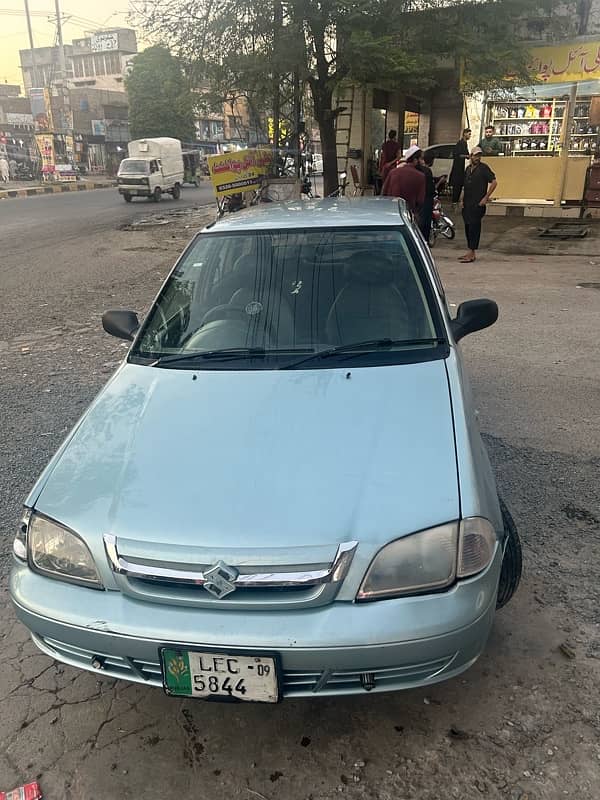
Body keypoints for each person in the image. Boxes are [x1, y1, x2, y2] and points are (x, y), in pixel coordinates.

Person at [459, 146, 497, 263]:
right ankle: (470, 251)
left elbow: (494, 182)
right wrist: (461, 199)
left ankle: (472, 252)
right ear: (471, 156)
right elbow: (465, 186)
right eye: (475, 155)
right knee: (467, 226)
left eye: (479, 155)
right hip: (467, 202)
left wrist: (486, 197)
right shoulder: (468, 169)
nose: (477, 158)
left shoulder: (484, 168)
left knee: (474, 227)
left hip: (477, 203)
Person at [382, 145, 426, 215]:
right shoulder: (421, 176)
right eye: (421, 159)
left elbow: (384, 193)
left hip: (390, 212)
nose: (423, 161)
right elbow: (420, 201)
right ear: (415, 159)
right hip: (408, 215)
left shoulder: (393, 172)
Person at [416, 152, 435, 242]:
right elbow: (431, 188)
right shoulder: (427, 171)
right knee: (426, 221)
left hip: (418, 199)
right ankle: (425, 240)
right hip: (427, 199)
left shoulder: (418, 170)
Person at [449, 128, 471, 204]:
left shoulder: (464, 143)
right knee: (457, 186)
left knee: (459, 186)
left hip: (461, 168)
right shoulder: (460, 143)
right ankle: (454, 202)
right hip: (457, 168)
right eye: (469, 134)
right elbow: (458, 155)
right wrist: (467, 156)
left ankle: (456, 201)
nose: (469, 136)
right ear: (464, 134)